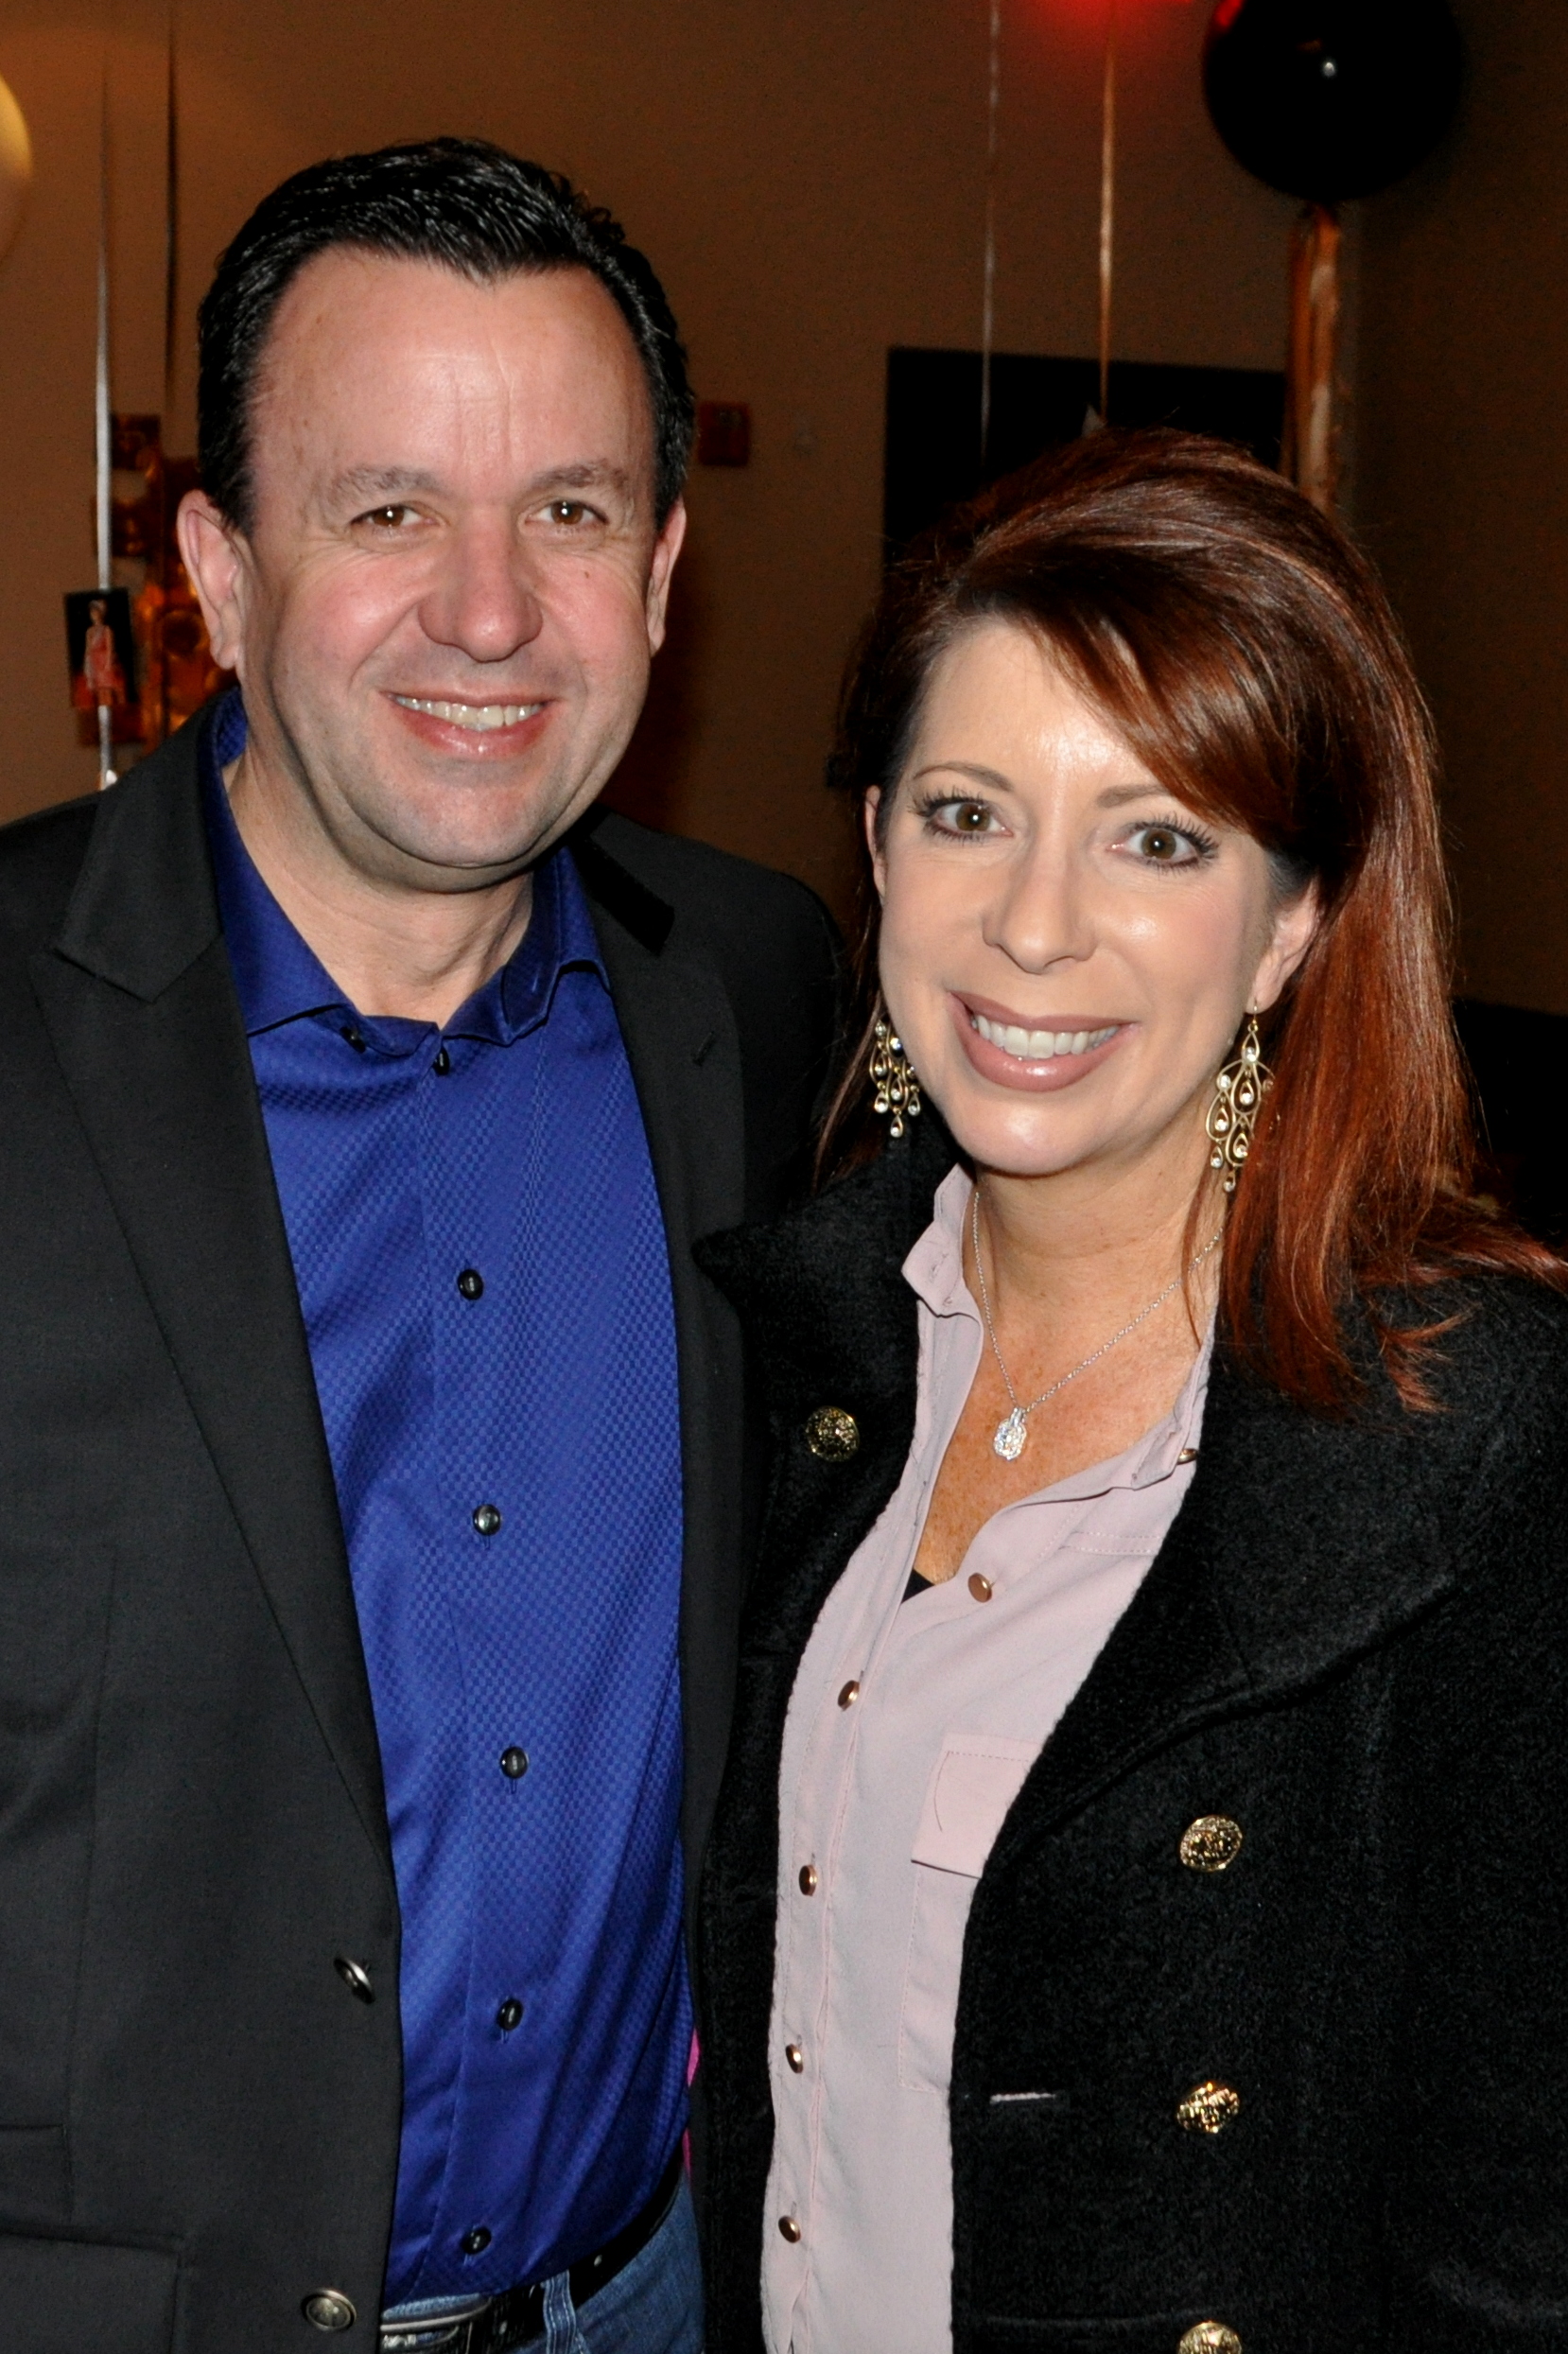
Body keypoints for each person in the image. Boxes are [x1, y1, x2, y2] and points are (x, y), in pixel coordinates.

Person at [0, 140, 838, 2354]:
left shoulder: (757, 997)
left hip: (647, 2298)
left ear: (662, 570)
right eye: (387, 510)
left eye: (568, 512)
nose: (488, 611)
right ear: (219, 566)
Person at [694, 430, 1568, 2353]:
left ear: (1290, 922)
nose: (1032, 923)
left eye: (1155, 837)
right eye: (967, 812)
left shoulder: (1476, 1438)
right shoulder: (787, 1345)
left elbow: (1517, 2234)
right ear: (876, 846)